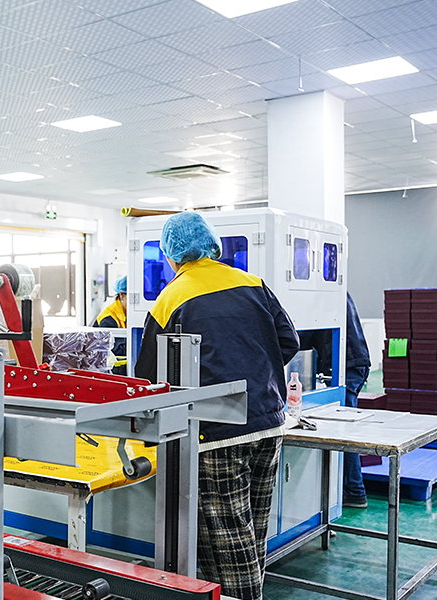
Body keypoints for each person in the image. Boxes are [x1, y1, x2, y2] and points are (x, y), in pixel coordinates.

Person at [134, 211, 299, 600]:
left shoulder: (171, 298)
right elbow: (289, 342)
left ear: (171, 255)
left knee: (229, 545)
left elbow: (148, 376)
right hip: (269, 422)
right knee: (252, 533)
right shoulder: (252, 283)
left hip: (218, 432)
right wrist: (256, 372)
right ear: (212, 245)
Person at [300, 293, 371, 508]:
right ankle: (349, 488)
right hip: (355, 362)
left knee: (342, 431)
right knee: (343, 427)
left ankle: (354, 491)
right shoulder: (334, 290)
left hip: (344, 366)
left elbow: (300, 336)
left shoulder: (316, 294)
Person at [94, 275, 128, 374]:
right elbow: (116, 349)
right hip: (108, 370)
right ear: (122, 295)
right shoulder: (108, 318)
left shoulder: (127, 314)